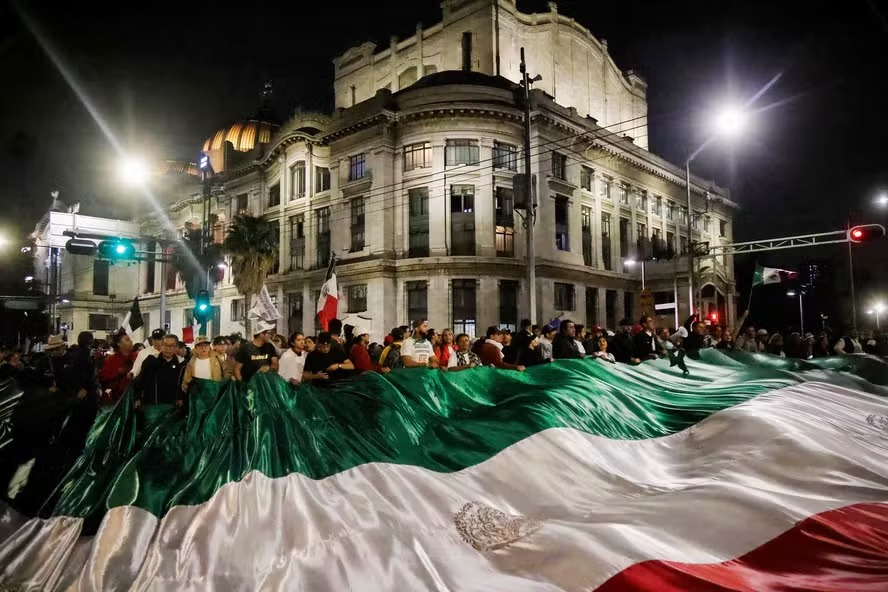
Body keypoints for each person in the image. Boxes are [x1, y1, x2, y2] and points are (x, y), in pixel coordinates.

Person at [134, 334, 186, 409]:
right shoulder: (151, 360)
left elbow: (183, 384)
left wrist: (181, 398)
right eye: (165, 345)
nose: (168, 348)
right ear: (161, 346)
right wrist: (137, 398)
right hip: (152, 406)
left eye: (172, 346)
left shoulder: (181, 365)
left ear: (176, 347)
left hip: (174, 408)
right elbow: (140, 380)